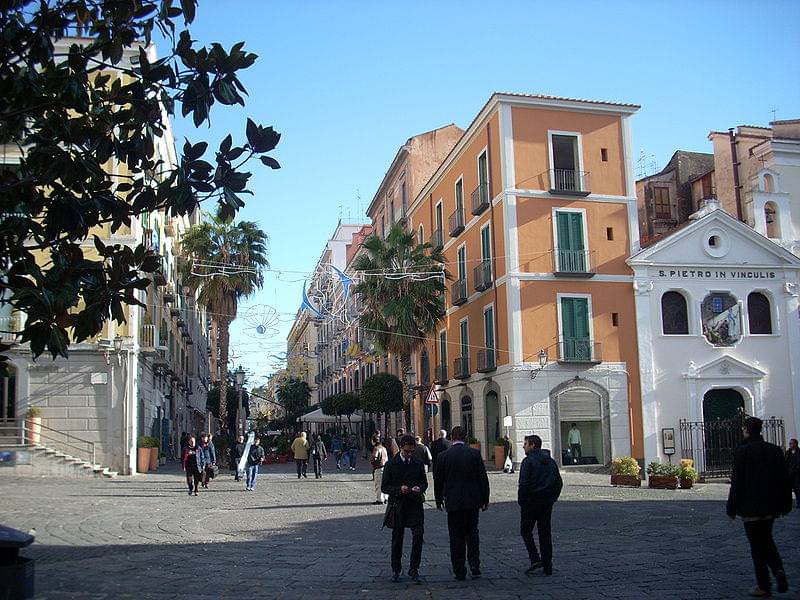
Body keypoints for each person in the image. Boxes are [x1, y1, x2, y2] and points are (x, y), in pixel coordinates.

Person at [726, 417, 791, 597]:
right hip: (770, 506)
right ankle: (778, 570)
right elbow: (785, 479)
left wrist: (731, 507)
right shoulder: (775, 450)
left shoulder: (743, 451)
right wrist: (786, 503)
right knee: (767, 539)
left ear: (746, 429)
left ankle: (764, 585)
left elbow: (737, 482)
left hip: (750, 506)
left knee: (757, 545)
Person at [433, 425, 490, 580]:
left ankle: (459, 569)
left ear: (451, 438)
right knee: (472, 533)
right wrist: (485, 498)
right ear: (465, 437)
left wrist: (438, 500)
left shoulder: (444, 456)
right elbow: (483, 478)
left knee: (456, 535)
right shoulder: (474, 454)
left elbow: (438, 480)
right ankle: (474, 565)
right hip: (473, 500)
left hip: (453, 501)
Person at [381, 435, 428, 584]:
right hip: (398, 505)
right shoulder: (391, 464)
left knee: (418, 535)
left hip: (414, 503)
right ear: (401, 448)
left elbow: (424, 482)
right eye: (407, 451)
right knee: (397, 538)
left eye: (411, 451)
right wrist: (399, 489)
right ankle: (396, 569)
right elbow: (385, 487)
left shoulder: (418, 463)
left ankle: (414, 568)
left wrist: (419, 488)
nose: (409, 454)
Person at [518, 434, 563, 577]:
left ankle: (535, 558)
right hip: (546, 502)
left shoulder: (528, 461)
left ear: (532, 445)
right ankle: (547, 565)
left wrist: (522, 501)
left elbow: (524, 483)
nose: (523, 446)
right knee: (545, 533)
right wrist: (552, 498)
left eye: (525, 444)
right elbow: (558, 482)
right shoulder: (550, 461)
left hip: (531, 501)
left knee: (526, 530)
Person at [371, 438, 389, 504]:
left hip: (379, 467)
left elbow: (374, 457)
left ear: (373, 441)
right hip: (385, 467)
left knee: (378, 484)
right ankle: (386, 498)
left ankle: (380, 499)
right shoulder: (384, 448)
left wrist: (372, 462)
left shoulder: (376, 448)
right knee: (384, 484)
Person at [786, 438, 800, 509]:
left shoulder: (799, 452)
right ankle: (789, 503)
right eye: (790, 443)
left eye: (791, 443)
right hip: (789, 473)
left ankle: (799, 502)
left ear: (795, 444)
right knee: (788, 489)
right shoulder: (788, 452)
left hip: (797, 474)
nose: (790, 445)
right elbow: (786, 462)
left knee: (797, 489)